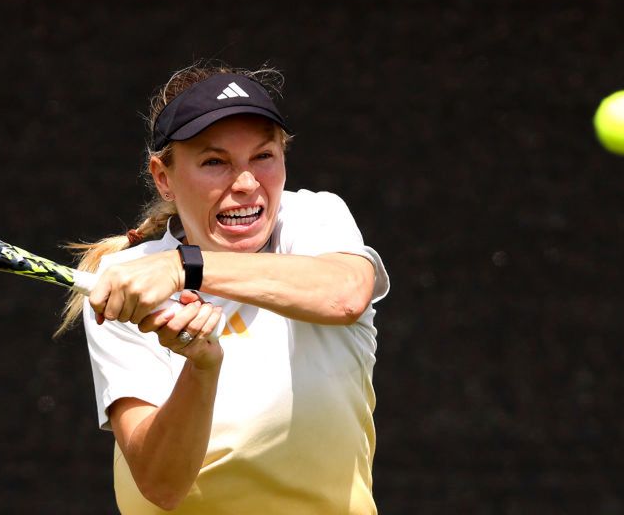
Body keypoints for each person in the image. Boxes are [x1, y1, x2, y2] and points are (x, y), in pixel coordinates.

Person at [57, 61, 390, 514]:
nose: (248, 184)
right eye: (215, 162)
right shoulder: (125, 278)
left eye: (263, 156)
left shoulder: (314, 219)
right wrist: (201, 369)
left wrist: (185, 267)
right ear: (164, 178)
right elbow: (163, 486)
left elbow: (345, 295)